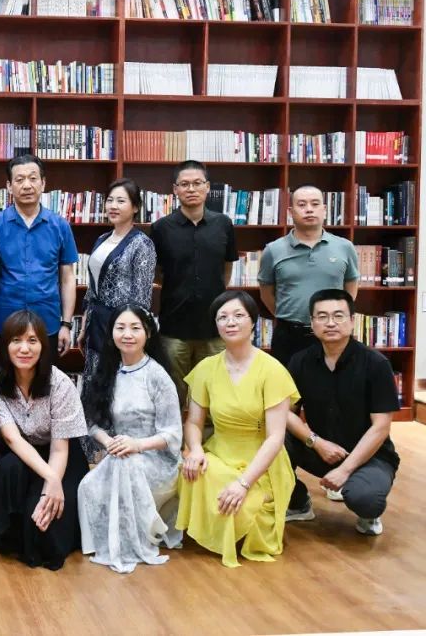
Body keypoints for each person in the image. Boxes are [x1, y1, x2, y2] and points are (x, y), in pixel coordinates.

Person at [176, 291, 298, 568]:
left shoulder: (273, 370)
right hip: (220, 452)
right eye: (222, 317)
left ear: (253, 322)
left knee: (244, 500)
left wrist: (244, 483)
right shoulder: (206, 368)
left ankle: (240, 518)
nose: (230, 322)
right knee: (194, 471)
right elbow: (193, 422)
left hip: (261, 460)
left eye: (238, 315)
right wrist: (195, 449)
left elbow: (276, 437)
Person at [284, 289, 399, 536]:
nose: (330, 323)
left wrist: (345, 470)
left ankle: (367, 509)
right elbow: (287, 413)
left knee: (365, 499)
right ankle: (297, 501)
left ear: (352, 321)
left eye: (338, 316)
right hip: (321, 451)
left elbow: (381, 427)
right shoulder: (300, 362)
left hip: (370, 456)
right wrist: (316, 442)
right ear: (312, 323)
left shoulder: (376, 364)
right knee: (274, 439)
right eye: (322, 316)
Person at [77, 305, 183, 574]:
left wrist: (138, 445)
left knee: (129, 467)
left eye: (135, 328)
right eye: (120, 328)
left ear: (148, 333)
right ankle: (101, 543)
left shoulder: (158, 376)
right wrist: (108, 442)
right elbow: (91, 423)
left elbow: (172, 433)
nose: (127, 334)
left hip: (157, 457)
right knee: (88, 485)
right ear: (111, 332)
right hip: (120, 452)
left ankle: (130, 545)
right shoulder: (107, 371)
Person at [0, 310, 90, 571]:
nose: (24, 349)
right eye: (16, 340)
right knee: (8, 467)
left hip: (62, 455)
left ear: (43, 346)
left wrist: (51, 484)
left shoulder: (60, 383)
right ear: (5, 345)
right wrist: (50, 479)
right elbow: (12, 438)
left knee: (46, 532)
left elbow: (60, 448)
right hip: (22, 453)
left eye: (32, 341)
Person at [151, 161, 237, 407]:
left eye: (197, 183)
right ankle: (177, 433)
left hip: (214, 328)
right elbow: (157, 272)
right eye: (185, 184)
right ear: (175, 189)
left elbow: (227, 267)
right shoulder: (161, 228)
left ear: (207, 187)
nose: (191, 189)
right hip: (174, 328)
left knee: (213, 393)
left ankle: (207, 433)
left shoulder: (223, 224)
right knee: (173, 394)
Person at [0, 154, 79, 357]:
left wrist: (66, 324)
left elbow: (67, 278)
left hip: (47, 320)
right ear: (9, 186)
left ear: (43, 183)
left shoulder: (60, 226)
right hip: (4, 321)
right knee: (5, 376)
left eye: (33, 178)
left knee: (46, 376)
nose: (27, 185)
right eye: (19, 179)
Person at [259, 185, 359, 365]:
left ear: (324, 209)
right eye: (302, 204)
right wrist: (289, 316)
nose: (309, 209)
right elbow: (266, 292)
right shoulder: (273, 250)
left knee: (333, 381)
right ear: (291, 212)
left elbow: (350, 287)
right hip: (289, 335)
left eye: (315, 203)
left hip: (332, 332)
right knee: (286, 382)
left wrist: (336, 315)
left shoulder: (345, 247)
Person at [80, 178, 156, 381]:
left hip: (121, 327)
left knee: (116, 382)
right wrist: (84, 324)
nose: (113, 206)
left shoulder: (142, 244)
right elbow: (92, 287)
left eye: (121, 201)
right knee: (94, 380)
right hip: (95, 322)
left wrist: (129, 331)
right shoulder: (102, 239)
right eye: (110, 200)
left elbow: (142, 298)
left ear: (135, 207)